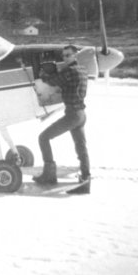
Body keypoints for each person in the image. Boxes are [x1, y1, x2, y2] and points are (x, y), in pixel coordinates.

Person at [35, 44, 91, 191]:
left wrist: (42, 73)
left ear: (75, 55)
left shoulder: (70, 71)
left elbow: (52, 81)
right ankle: (86, 179)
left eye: (68, 55)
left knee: (44, 138)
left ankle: (49, 175)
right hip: (81, 114)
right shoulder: (82, 70)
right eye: (64, 56)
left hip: (72, 115)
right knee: (81, 147)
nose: (65, 58)